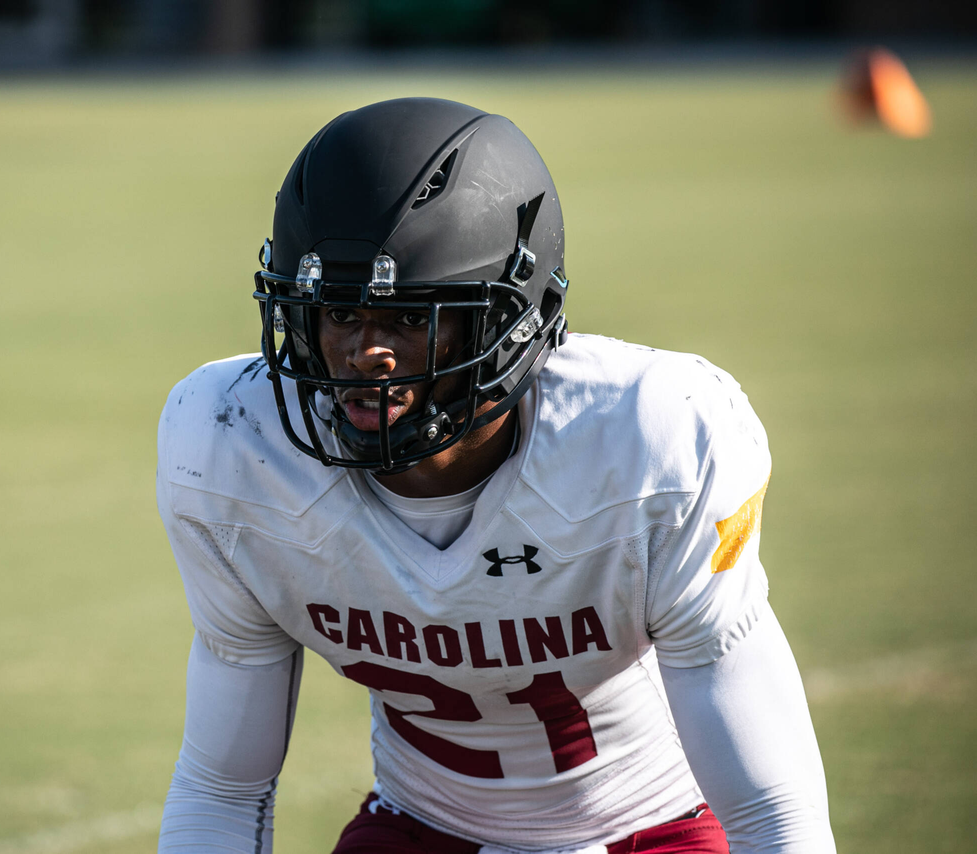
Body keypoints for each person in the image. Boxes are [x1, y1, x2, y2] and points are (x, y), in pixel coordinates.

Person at [155, 98, 836, 854]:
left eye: (410, 319)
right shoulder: (231, 449)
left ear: (512, 321)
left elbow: (774, 813)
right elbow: (221, 789)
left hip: (652, 829)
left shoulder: (650, 443)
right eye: (339, 313)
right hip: (422, 829)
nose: (364, 353)